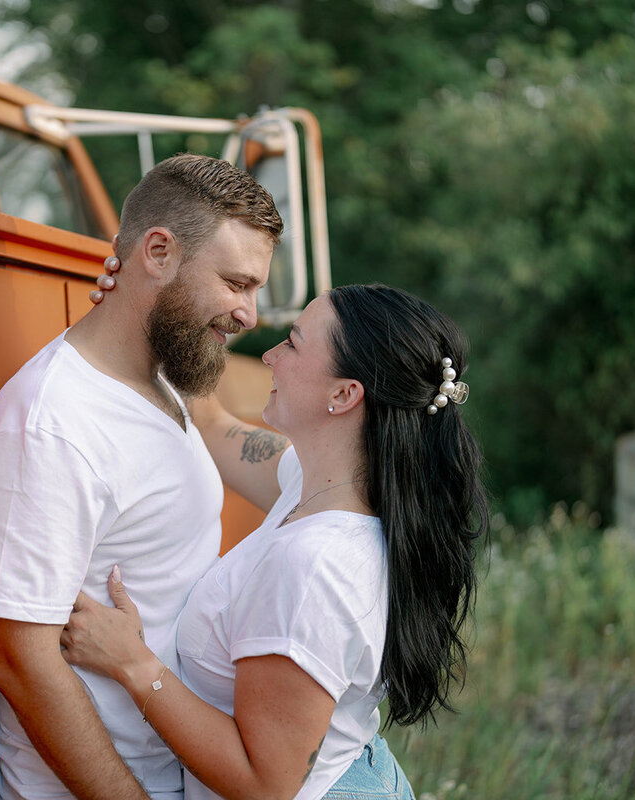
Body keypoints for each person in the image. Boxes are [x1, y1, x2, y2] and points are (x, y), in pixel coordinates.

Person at [62, 281, 489, 800]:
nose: (268, 355)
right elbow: (212, 421)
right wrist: (157, 298)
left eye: (292, 342)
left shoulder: (314, 568)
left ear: (343, 394)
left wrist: (133, 664)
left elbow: (264, 785)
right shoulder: (321, 484)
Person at [0, 153, 283, 800]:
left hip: (179, 774)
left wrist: (372, 473)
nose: (250, 314)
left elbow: (227, 433)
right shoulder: (51, 427)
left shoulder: (166, 378)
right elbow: (22, 665)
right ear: (158, 252)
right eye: (236, 283)